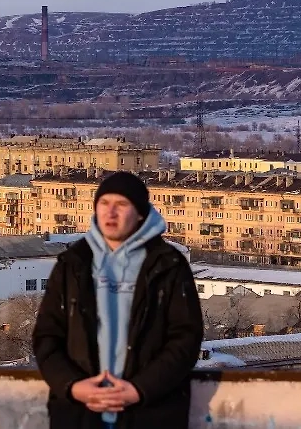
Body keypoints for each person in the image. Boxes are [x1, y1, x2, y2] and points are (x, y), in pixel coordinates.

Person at [33, 171, 203, 429]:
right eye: (104, 203)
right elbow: (47, 337)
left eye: (121, 205)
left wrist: (140, 389)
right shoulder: (74, 263)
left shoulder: (168, 265)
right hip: (79, 415)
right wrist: (73, 386)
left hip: (150, 414)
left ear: (141, 214)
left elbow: (185, 340)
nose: (110, 213)